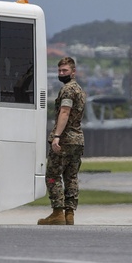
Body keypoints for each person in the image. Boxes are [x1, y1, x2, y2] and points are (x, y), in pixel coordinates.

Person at [38, 56, 87, 226]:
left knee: (53, 174)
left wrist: (57, 136)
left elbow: (65, 112)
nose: (61, 73)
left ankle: (57, 212)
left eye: (65, 70)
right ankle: (70, 214)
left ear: (73, 72)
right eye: (59, 70)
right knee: (71, 176)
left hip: (65, 139)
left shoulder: (67, 90)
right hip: (78, 139)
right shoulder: (80, 90)